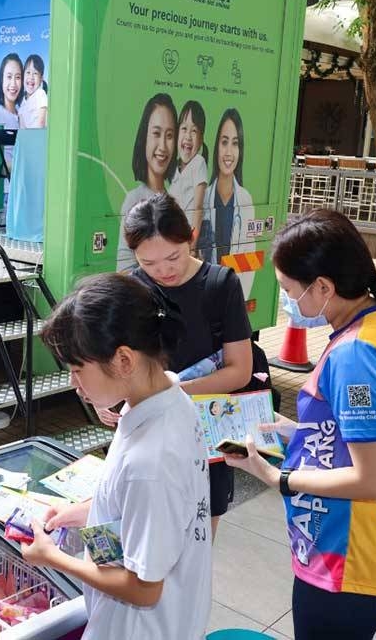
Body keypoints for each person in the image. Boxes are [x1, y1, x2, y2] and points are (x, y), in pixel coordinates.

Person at [225, 209, 376, 640]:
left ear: (324, 287)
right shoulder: (373, 326)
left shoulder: (356, 357)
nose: (289, 302)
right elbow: (362, 434)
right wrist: (292, 429)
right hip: (358, 552)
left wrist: (282, 479)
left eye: (289, 291)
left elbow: (375, 480)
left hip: (350, 564)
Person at [20, 272, 211, 639]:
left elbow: (143, 588)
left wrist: (52, 557)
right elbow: (137, 508)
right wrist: (79, 512)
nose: (74, 384)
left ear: (124, 360)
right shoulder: (166, 396)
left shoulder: (151, 461)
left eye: (78, 370)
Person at [117, 194, 255, 538]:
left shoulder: (220, 284)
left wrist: (170, 392)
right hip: (147, 433)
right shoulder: (132, 287)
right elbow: (120, 360)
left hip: (206, 432)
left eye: (173, 256)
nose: (163, 270)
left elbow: (240, 370)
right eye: (148, 262)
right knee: (146, 535)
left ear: (191, 236)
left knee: (198, 539)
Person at [115, 94, 178, 271]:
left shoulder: (177, 197)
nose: (163, 146)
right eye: (156, 134)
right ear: (144, 138)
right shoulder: (134, 201)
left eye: (170, 135)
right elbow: (125, 269)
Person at [199, 108, 254, 266]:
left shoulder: (246, 200)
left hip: (234, 286)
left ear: (240, 150)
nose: (229, 152)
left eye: (235, 143)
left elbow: (250, 261)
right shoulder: (203, 198)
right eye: (224, 142)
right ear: (217, 147)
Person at [169, 101, 208, 239]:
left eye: (194, 131)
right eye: (184, 128)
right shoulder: (175, 169)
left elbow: (198, 208)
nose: (188, 136)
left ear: (201, 138)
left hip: (195, 234)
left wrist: (193, 243)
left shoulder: (198, 163)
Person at [0, 53, 23, 129]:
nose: (13, 84)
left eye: (17, 77)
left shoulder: (23, 114)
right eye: (9, 77)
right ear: (2, 80)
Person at [19, 54, 48, 129]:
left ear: (41, 78)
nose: (31, 77)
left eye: (35, 73)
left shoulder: (40, 94)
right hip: (28, 138)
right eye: (28, 72)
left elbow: (41, 123)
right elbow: (22, 127)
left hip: (38, 137)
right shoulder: (23, 102)